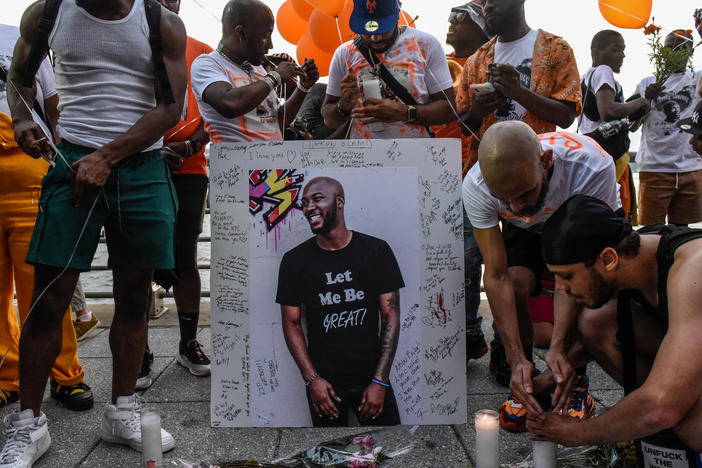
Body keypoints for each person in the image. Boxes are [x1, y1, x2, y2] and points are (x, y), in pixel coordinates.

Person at [7, 0, 188, 462]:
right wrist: (25, 118)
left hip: (142, 167)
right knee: (49, 299)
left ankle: (122, 411)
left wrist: (107, 157)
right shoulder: (47, 13)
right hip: (72, 163)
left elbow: (171, 109)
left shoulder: (160, 21)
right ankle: (28, 424)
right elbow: (20, 79)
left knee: (133, 298)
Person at [462, 121, 620, 432]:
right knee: (517, 284)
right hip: (529, 232)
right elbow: (495, 276)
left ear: (546, 162)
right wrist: (515, 357)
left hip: (576, 214)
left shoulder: (591, 167)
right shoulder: (476, 186)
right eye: (504, 199)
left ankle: (574, 382)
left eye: (523, 193)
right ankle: (526, 379)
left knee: (582, 289)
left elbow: (574, 279)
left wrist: (559, 346)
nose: (517, 208)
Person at [455, 0, 582, 386]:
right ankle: (511, 356)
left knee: (567, 274)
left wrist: (518, 92)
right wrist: (479, 108)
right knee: (506, 276)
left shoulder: (555, 49)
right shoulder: (478, 58)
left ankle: (570, 359)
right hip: (497, 188)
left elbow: (567, 114)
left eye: (495, 0)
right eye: (484, 3)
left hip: (547, 184)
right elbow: (463, 123)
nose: (487, 7)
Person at [528, 195, 702, 459]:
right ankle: (652, 409)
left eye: (567, 276)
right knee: (596, 320)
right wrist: (550, 377)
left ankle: (659, 409)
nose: (561, 289)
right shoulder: (639, 252)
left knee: (687, 422)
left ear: (608, 259)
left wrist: (578, 433)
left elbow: (661, 407)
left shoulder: (692, 270)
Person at [0, 23, 94, 416]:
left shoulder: (16, 36)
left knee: (45, 287)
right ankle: (7, 375)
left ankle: (65, 374)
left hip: (29, 177)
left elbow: (54, 105)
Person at [276, 177, 403, 427]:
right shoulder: (294, 261)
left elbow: (391, 315)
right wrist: (312, 380)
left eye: (317, 199)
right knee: (329, 456)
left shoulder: (376, 251)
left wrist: (379, 381)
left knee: (391, 451)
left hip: (372, 377)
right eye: (304, 203)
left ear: (340, 202)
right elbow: (292, 324)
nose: (309, 207)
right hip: (325, 387)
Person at [433, 1, 492, 362]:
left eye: (460, 19)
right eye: (450, 18)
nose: (451, 24)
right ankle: (458, 331)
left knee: (480, 257)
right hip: (447, 169)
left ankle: (479, 334)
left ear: (480, 26)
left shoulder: (493, 61)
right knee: (455, 257)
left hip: (485, 170)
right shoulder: (441, 62)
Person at [321, 0, 455, 139]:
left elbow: (449, 111)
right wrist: (344, 105)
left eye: (384, 29)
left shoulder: (425, 45)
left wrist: (405, 113)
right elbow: (330, 121)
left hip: (416, 156)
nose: (376, 38)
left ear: (398, 10)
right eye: (367, 31)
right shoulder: (344, 54)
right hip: (362, 157)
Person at [191, 0, 319, 143]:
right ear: (241, 33)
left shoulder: (257, 69)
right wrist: (275, 76)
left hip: (273, 163)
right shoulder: (207, 64)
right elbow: (229, 104)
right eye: (265, 36)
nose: (270, 45)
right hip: (235, 164)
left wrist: (303, 87)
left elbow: (276, 122)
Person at [631, 29, 702, 226]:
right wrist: (646, 100)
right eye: (670, 47)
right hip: (654, 169)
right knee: (651, 232)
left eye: (682, 47)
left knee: (684, 235)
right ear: (662, 52)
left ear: (691, 52)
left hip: (691, 168)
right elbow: (632, 126)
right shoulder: (648, 83)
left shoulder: (697, 78)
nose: (675, 51)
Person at [579, 30, 650, 223]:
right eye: (616, 49)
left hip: (591, 151)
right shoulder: (603, 71)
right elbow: (608, 111)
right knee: (611, 212)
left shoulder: (587, 76)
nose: (623, 55)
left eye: (623, 50)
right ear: (596, 52)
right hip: (609, 156)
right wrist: (640, 103)